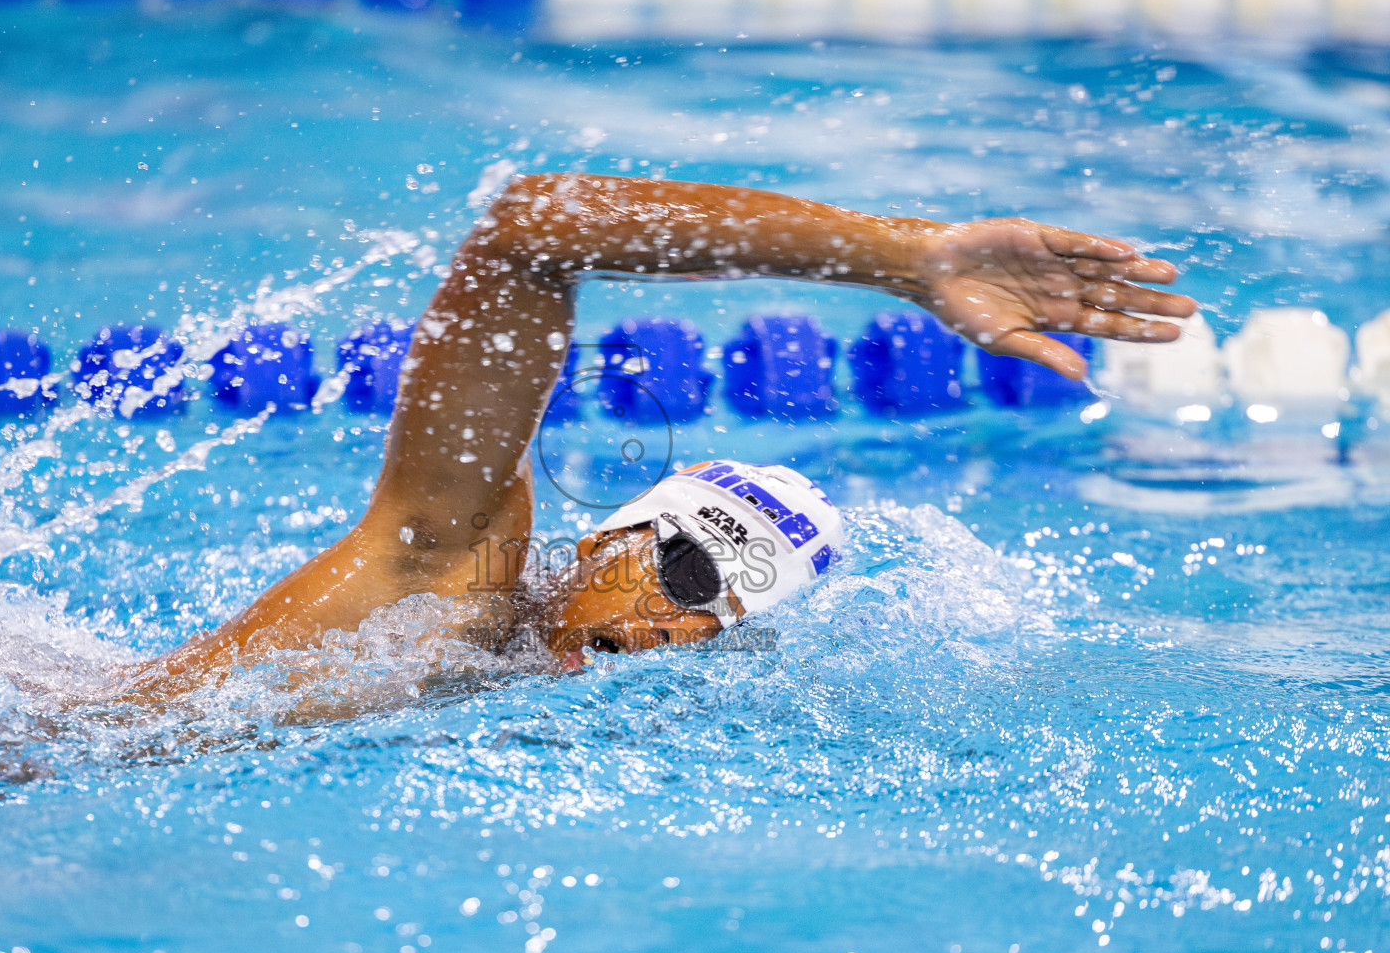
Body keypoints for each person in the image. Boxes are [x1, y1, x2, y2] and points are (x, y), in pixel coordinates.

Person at [124, 173, 1197, 701]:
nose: (672, 626)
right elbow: (530, 229)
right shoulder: (447, 574)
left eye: (720, 617)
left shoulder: (519, 689)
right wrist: (904, 260)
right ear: (609, 539)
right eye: (682, 568)